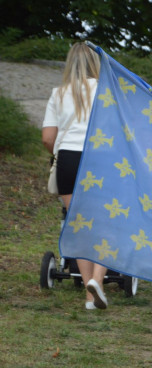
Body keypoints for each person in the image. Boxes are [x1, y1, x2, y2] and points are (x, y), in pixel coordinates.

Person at [42, 43, 109, 310]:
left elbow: (48, 137)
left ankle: (89, 296)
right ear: (96, 63)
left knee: (79, 225)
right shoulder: (107, 91)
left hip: (68, 158)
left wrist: (56, 152)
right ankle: (98, 282)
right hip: (100, 157)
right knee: (104, 225)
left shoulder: (58, 94)